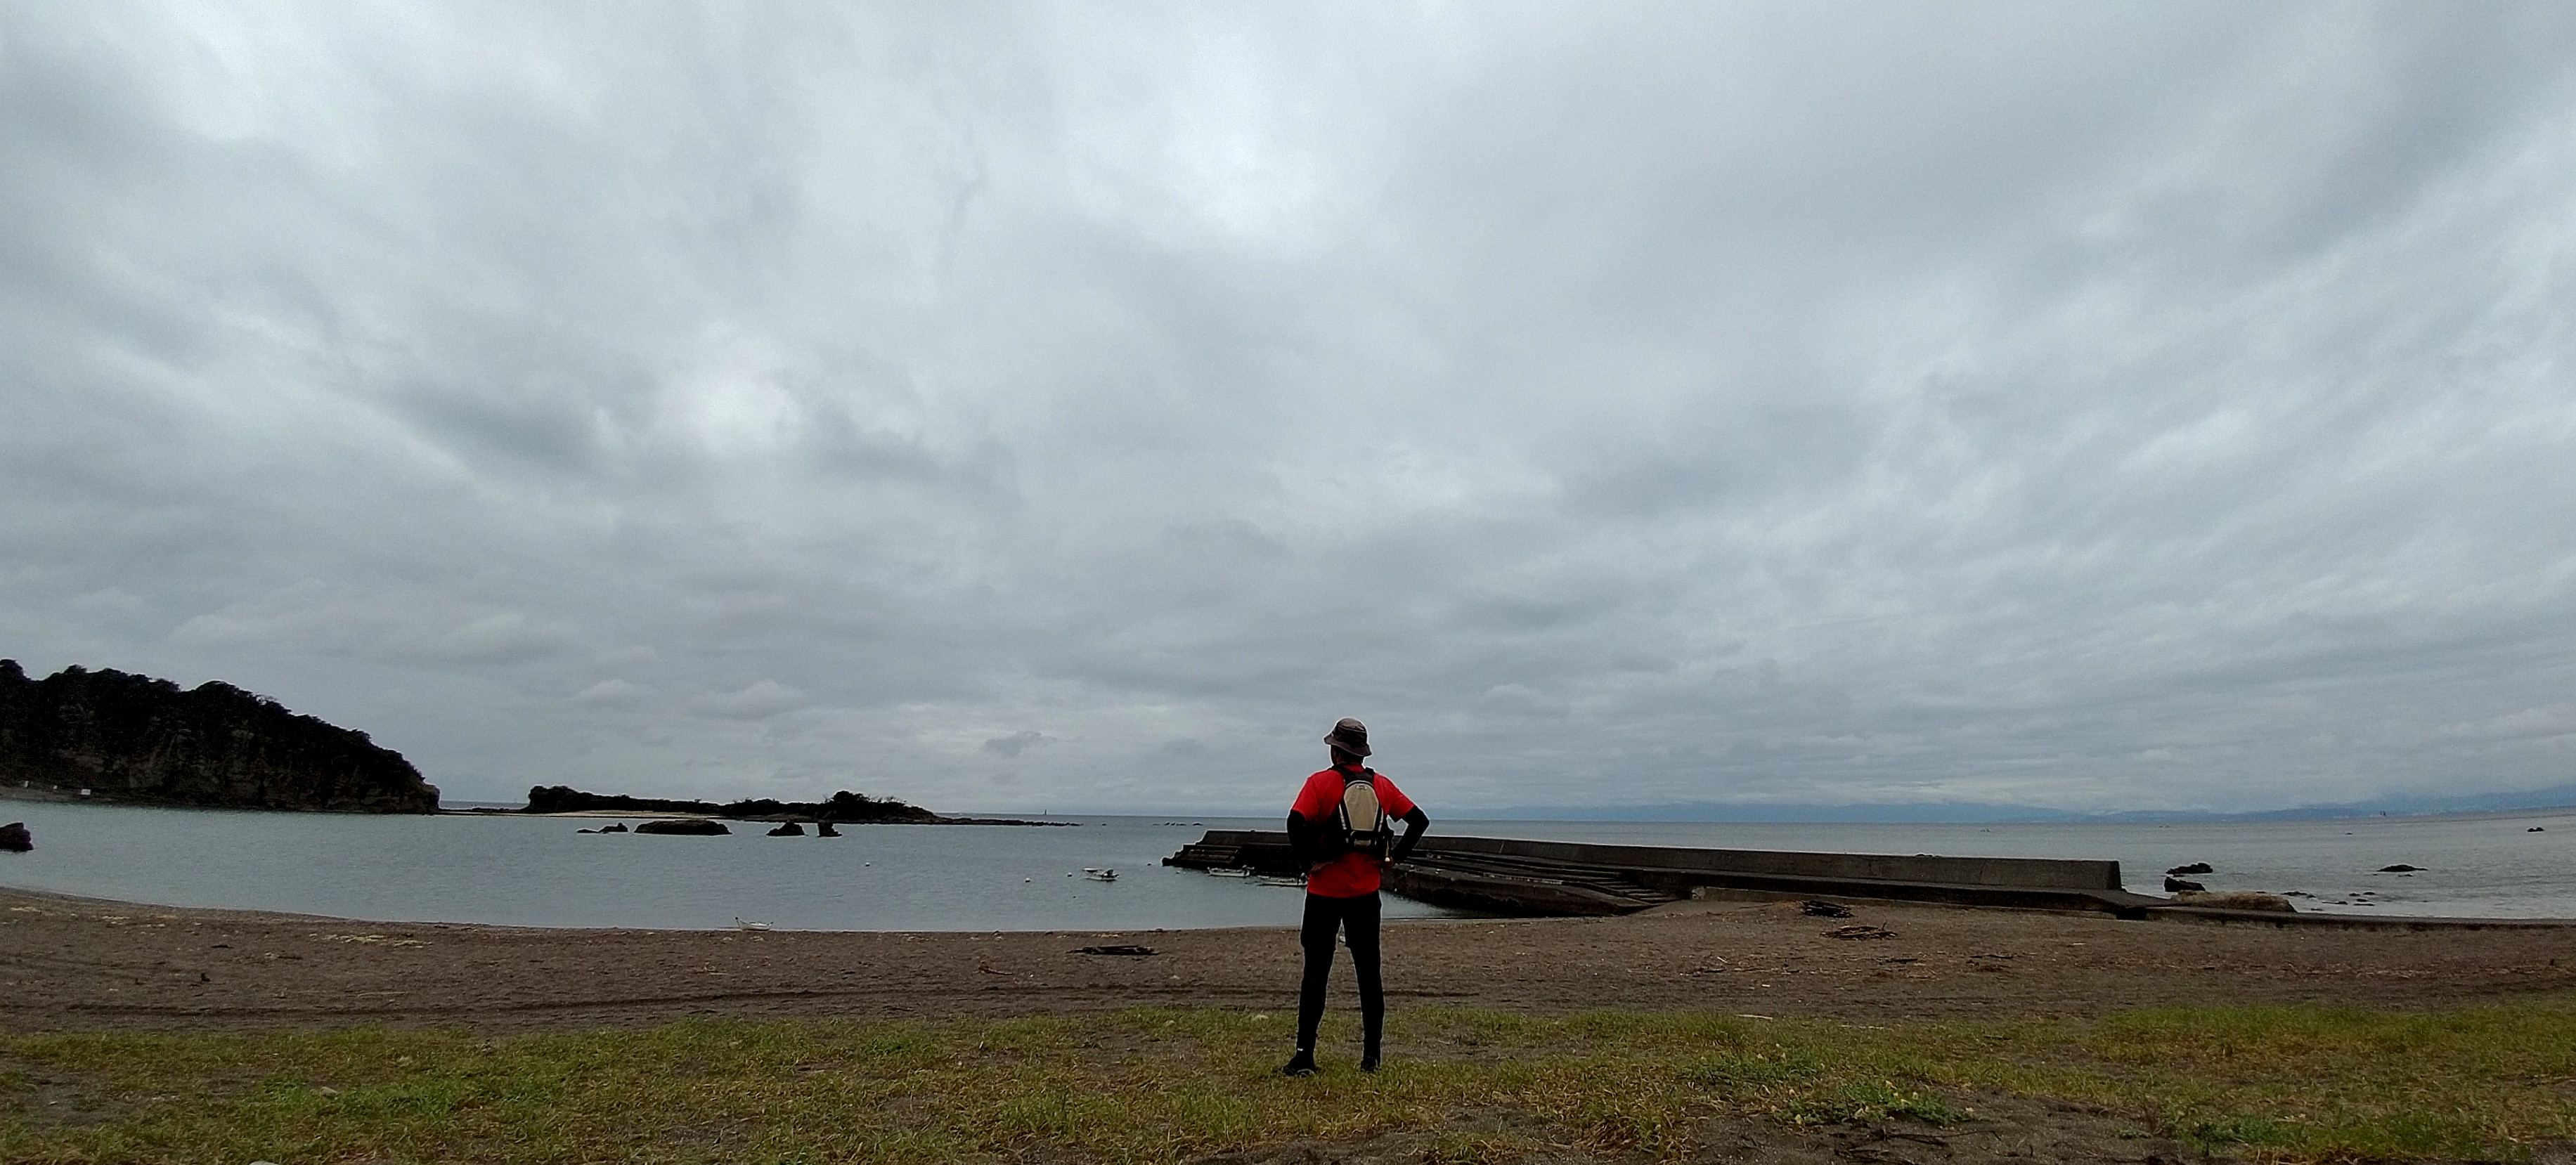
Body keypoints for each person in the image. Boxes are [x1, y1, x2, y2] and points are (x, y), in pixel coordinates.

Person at [1279, 717, 1429, 1076]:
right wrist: (1393, 858)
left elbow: (1295, 823)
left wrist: (1309, 863)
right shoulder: (1382, 786)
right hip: (1366, 895)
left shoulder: (1319, 783)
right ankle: (1372, 1056)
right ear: (1361, 753)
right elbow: (1419, 821)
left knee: (1316, 974)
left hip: (1323, 894)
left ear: (1335, 751)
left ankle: (1304, 1056)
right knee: (1369, 974)